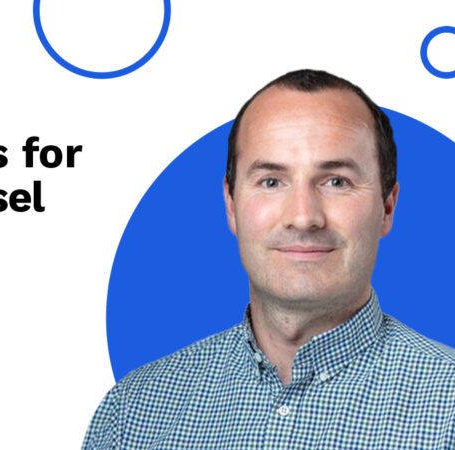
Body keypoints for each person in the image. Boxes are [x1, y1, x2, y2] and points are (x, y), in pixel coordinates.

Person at [82, 69, 455, 449]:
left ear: (387, 207)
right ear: (231, 205)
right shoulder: (131, 415)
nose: (304, 216)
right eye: (271, 181)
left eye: (336, 181)